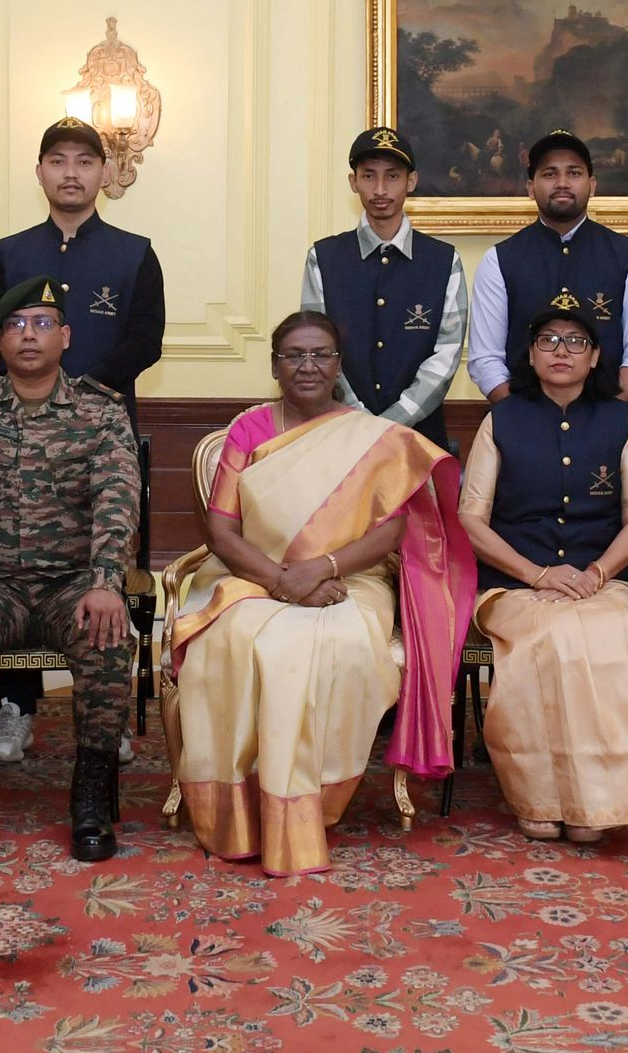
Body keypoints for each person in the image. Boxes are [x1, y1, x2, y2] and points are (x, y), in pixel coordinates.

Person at [164, 312, 470, 875]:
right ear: (274, 365)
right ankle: (241, 806)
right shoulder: (249, 430)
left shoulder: (369, 435)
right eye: (294, 355)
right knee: (232, 638)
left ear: (338, 364)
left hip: (351, 576)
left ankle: (309, 803)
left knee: (344, 641)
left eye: (321, 354)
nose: (308, 366)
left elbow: (390, 532)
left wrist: (323, 567)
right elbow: (222, 532)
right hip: (252, 572)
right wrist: (282, 580)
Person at [0, 278, 141, 863]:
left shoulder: (100, 410)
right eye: (15, 325)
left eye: (42, 323)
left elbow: (117, 501)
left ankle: (91, 798)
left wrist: (106, 583)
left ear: (66, 336)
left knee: (109, 638)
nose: (29, 335)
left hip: (73, 584)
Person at [0, 120, 164, 763]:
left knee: (103, 571)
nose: (71, 173)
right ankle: (14, 710)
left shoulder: (135, 254)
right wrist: (38, 388)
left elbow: (146, 340)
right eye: (58, 160)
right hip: (13, 444)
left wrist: (76, 395)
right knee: (16, 566)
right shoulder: (10, 252)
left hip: (102, 445)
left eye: (85, 161)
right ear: (40, 172)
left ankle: (109, 714)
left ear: (104, 173)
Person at [459, 291, 628, 844]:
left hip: (602, 582)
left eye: (576, 342)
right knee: (548, 638)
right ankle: (541, 797)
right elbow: (472, 520)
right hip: (513, 586)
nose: (561, 351)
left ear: (596, 357)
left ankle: (601, 799)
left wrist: (596, 575)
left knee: (606, 636)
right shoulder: (501, 420)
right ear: (530, 354)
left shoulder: (624, 421)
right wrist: (536, 575)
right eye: (548, 340)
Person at [300, 126, 468, 448]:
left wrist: (390, 424)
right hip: (339, 437)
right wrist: (359, 420)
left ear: (411, 182)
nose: (380, 189)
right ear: (353, 182)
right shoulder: (322, 258)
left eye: (392, 176)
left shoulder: (444, 261)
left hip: (420, 441)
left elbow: (446, 357)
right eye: (368, 176)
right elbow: (318, 350)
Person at [467, 129, 628, 403]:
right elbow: (486, 359)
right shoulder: (498, 260)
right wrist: (519, 419)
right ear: (530, 188)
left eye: (574, 173)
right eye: (549, 174)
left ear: (592, 185)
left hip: (608, 415)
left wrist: (608, 418)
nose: (562, 183)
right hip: (522, 419)